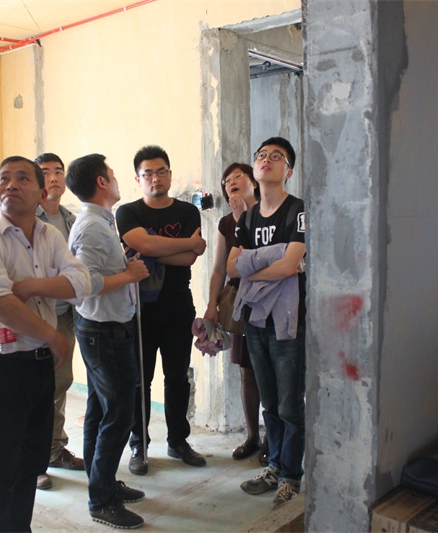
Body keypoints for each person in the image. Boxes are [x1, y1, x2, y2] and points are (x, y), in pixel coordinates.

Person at [0, 156, 90, 532]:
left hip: (40, 364)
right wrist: (51, 334)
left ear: (41, 193)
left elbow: (81, 281)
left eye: (21, 178)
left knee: (31, 464)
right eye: (3, 179)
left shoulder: (50, 236)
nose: (11, 185)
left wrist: (31, 287)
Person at [65, 153, 150, 529]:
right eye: (112, 174)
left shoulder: (100, 221)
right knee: (118, 414)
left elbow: (98, 271)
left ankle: (102, 483)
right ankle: (101, 500)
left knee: (101, 411)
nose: (117, 179)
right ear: (101, 182)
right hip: (105, 332)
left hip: (104, 329)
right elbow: (86, 283)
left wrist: (124, 267)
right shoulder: (93, 227)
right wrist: (130, 275)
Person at [115, 145, 207, 476]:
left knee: (177, 376)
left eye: (161, 171)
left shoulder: (187, 212)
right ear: (138, 179)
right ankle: (138, 445)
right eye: (148, 173)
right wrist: (186, 243)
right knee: (140, 379)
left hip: (178, 305)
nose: (156, 178)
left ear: (170, 174)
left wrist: (152, 250)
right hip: (139, 308)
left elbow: (188, 259)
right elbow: (145, 246)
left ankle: (178, 441)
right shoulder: (127, 212)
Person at [228, 137, 306, 509]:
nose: (267, 160)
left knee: (290, 404)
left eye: (277, 156)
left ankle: (291, 476)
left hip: (288, 322)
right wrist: (271, 261)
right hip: (256, 321)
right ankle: (274, 466)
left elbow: (290, 265)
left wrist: (252, 269)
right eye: (261, 155)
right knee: (270, 402)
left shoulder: (297, 211)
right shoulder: (248, 217)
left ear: (288, 171)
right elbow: (232, 267)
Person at [203, 163, 267, 462]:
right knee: (247, 372)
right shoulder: (226, 222)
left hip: (270, 299)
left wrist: (244, 218)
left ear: (254, 182)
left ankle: (273, 439)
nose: (231, 182)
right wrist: (211, 305)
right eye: (226, 180)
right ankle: (253, 436)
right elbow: (220, 269)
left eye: (238, 176)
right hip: (241, 302)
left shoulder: (271, 214)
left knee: (272, 374)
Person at [33, 152, 83, 492]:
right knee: (36, 390)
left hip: (66, 313)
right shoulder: (29, 218)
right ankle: (34, 461)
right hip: (37, 315)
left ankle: (53, 449)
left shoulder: (70, 218)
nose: (53, 177)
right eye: (45, 172)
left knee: (60, 383)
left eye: (58, 172)